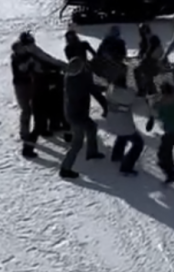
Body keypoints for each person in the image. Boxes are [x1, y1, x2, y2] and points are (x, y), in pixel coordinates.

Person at [59, 43, 105, 179]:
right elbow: (91, 88)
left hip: (73, 113)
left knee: (92, 128)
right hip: (77, 116)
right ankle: (65, 168)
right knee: (77, 143)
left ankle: (92, 151)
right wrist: (105, 88)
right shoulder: (78, 82)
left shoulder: (68, 77)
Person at [102, 69, 145, 175]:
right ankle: (126, 166)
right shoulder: (127, 94)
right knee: (138, 143)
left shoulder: (110, 89)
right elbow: (135, 101)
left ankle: (116, 156)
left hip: (112, 119)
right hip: (123, 121)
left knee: (122, 136)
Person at [151, 81, 174, 183]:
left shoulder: (163, 103)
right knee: (166, 146)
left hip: (173, 130)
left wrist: (153, 103)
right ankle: (167, 163)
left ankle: (171, 173)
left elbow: (158, 114)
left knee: (164, 151)